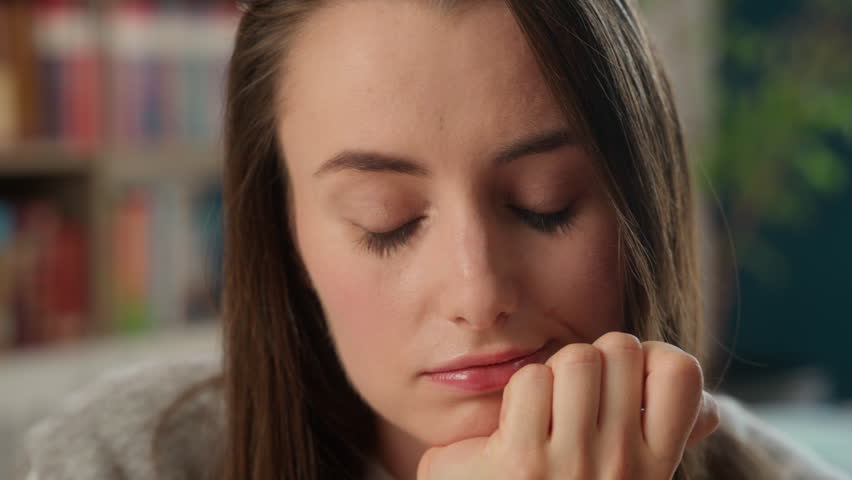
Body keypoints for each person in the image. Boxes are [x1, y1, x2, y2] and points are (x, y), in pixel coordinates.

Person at [22, 1, 849, 479]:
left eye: (545, 203)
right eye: (386, 221)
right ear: (289, 235)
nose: (478, 290)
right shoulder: (126, 460)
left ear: (640, 202)